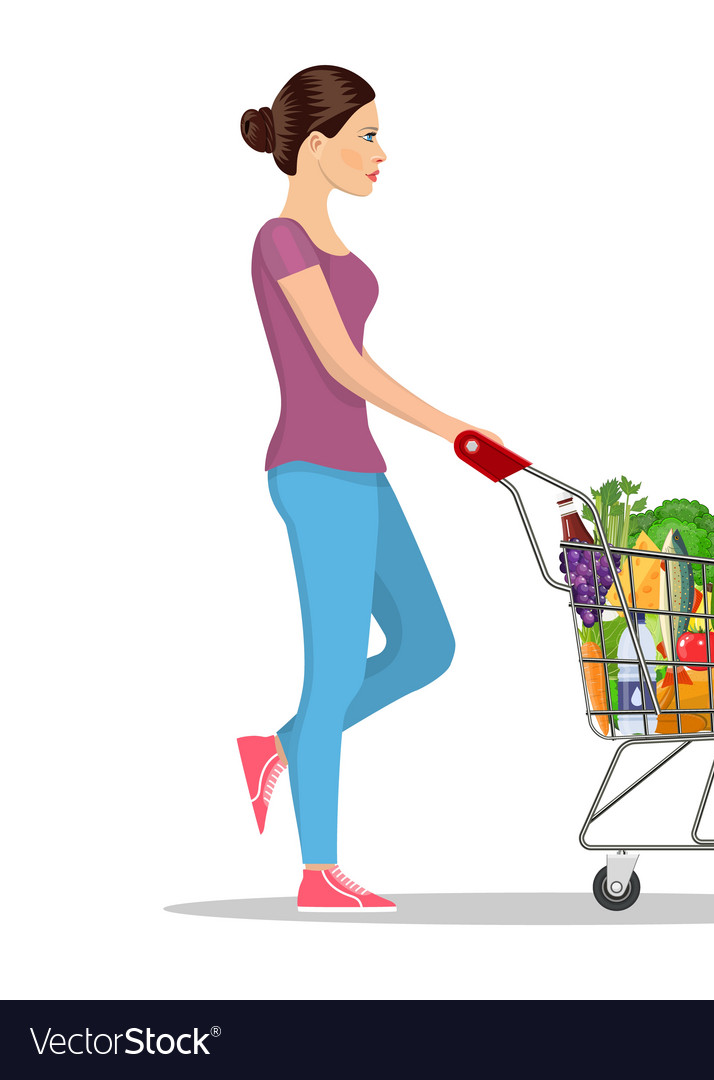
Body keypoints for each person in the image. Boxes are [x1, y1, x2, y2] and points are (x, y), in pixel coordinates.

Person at [237, 65, 502, 913]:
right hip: (314, 472)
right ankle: (320, 871)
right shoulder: (280, 243)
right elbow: (339, 362)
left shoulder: (337, 243)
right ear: (316, 147)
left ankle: (279, 746)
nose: (381, 154)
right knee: (335, 671)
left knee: (428, 644)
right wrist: (453, 427)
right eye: (368, 137)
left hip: (362, 469)